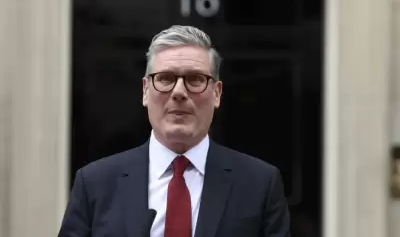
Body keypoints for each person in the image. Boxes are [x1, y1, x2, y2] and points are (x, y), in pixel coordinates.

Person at [58, 25, 290, 237]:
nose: (179, 92)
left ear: (217, 93)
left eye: (195, 79)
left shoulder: (260, 185)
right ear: (145, 91)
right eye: (166, 78)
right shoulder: (95, 183)